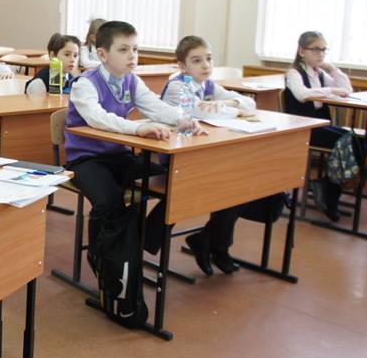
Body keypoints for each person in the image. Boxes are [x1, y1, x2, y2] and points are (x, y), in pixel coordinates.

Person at [65, 20, 204, 250]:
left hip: (120, 157)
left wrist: (184, 120)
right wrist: (137, 129)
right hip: (85, 160)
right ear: (102, 54)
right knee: (109, 201)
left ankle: (141, 243)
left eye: (135, 49)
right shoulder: (85, 83)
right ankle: (101, 257)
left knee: (179, 183)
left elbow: (156, 108)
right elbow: (97, 118)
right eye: (123, 49)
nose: (132, 55)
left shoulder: (132, 80)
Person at [158, 36, 260, 274]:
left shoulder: (207, 85)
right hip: (176, 158)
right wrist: (233, 109)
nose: (205, 65)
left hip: (202, 151)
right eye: (197, 60)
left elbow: (250, 104)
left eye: (209, 59)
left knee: (244, 181)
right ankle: (214, 245)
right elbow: (206, 114)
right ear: (182, 66)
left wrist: (230, 103)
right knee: (232, 183)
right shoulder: (178, 86)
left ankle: (209, 241)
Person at [283, 30, 367, 222]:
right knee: (350, 141)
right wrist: (330, 90)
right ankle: (329, 193)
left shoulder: (320, 73)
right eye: (315, 49)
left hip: (321, 124)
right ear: (301, 51)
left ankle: (327, 186)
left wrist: (332, 69)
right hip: (304, 128)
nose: (320, 54)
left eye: (323, 50)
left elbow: (346, 90)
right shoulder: (294, 73)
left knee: (364, 142)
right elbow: (302, 95)